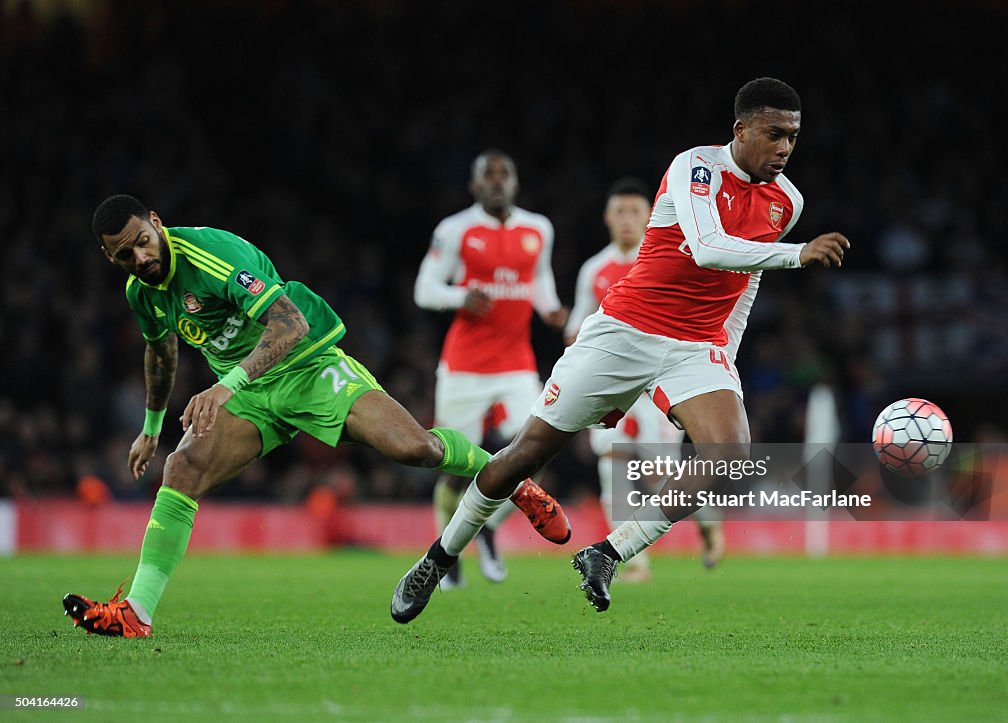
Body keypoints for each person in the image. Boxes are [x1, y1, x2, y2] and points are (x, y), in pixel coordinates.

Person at [392, 77, 850, 623]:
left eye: (793, 138)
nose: (784, 148)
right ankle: (438, 558)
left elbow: (746, 281)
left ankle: (608, 555)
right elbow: (706, 249)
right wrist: (798, 255)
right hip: (625, 331)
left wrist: (725, 349)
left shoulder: (787, 201)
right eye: (773, 134)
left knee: (729, 455)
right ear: (741, 129)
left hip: (696, 345)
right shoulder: (695, 168)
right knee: (527, 454)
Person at [63, 194, 570, 638]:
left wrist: (224, 385)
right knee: (182, 468)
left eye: (143, 241)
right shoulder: (142, 292)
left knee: (418, 449)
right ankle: (137, 612)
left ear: (155, 221)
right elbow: (160, 352)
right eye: (124, 254)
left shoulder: (212, 255)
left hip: (305, 364)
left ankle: (515, 483)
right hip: (251, 394)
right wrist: (151, 429)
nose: (140, 257)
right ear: (110, 257)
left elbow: (289, 322)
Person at [413, 150, 569, 589]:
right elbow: (425, 289)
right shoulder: (455, 230)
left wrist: (551, 309)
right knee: (452, 463)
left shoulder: (538, 228)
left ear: (516, 184)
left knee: (534, 450)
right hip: (464, 365)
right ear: (474, 186)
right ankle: (448, 549)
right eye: (489, 176)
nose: (498, 182)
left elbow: (538, 280)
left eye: (506, 175)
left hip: (516, 363)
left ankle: (487, 525)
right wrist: (460, 297)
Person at [564, 177, 725, 581]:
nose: (627, 220)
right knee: (612, 467)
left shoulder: (663, 260)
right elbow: (576, 330)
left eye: (635, 211)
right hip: (615, 385)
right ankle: (633, 563)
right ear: (607, 217)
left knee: (662, 479)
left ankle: (708, 524)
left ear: (650, 216)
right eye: (619, 212)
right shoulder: (594, 270)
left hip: (657, 386)